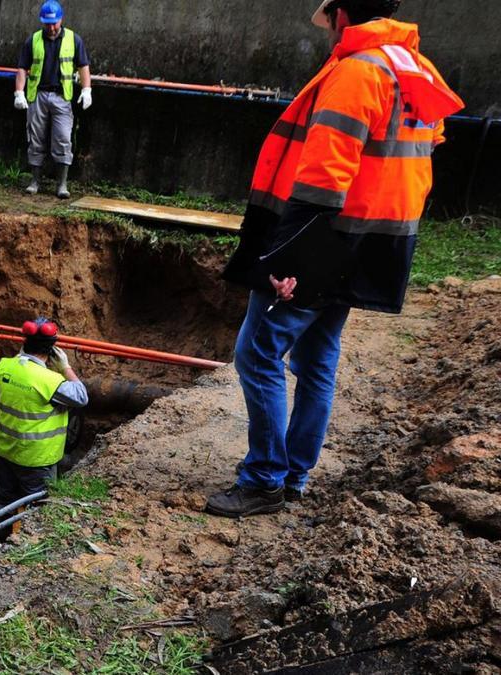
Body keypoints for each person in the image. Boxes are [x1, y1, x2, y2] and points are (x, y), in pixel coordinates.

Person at [209, 0, 462, 518]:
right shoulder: (415, 67)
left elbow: (325, 176)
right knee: (317, 357)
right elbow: (422, 152)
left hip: (329, 237)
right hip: (375, 243)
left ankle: (264, 480)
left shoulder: (357, 72)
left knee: (257, 355)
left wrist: (291, 257)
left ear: (343, 15)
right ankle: (294, 474)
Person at [0, 318, 88, 509]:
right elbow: (82, 396)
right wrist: (64, 367)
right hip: (36, 460)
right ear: (52, 351)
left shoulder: (2, 367)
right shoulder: (50, 381)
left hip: (6, 452)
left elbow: (6, 374)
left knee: (4, 502)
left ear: (24, 343)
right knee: (37, 509)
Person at [13, 0, 92, 199]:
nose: (51, 27)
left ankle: (62, 184)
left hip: (62, 97)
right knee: (35, 138)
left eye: (54, 23)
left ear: (61, 20)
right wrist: (19, 92)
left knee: (63, 139)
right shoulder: (34, 40)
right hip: (38, 96)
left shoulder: (74, 40)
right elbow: (23, 67)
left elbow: (83, 66)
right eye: (47, 23)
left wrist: (87, 89)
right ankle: (35, 181)